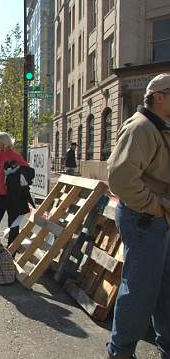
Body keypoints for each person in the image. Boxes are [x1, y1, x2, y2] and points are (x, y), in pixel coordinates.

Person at [106, 73, 170, 359]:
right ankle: (120, 352)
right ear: (159, 96)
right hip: (146, 219)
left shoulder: (159, 127)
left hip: (158, 219)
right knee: (141, 290)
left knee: (164, 288)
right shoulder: (141, 127)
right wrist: (156, 206)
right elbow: (120, 179)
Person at [0, 132, 29, 247]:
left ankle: (11, 251)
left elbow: (27, 171)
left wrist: (15, 177)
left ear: (4, 143)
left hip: (13, 195)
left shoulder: (14, 155)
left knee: (13, 225)